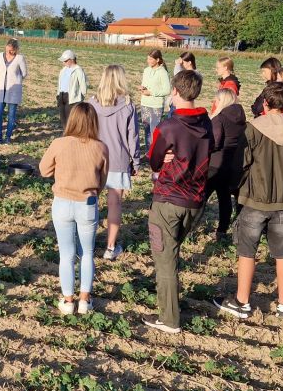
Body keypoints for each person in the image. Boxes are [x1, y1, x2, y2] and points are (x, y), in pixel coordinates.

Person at [214, 82, 283, 320]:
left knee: (247, 251)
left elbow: (240, 164)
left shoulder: (252, 129)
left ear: (265, 103)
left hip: (255, 199)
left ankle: (242, 302)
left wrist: (236, 188)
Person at [143, 70, 213, 334]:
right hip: (195, 202)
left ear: (174, 91)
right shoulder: (207, 123)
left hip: (168, 200)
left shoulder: (168, 127)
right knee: (171, 255)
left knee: (165, 262)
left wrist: (166, 158)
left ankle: (169, 319)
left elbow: (153, 161)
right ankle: (168, 299)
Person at [39, 103, 108, 315]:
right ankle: (85, 300)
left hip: (62, 203)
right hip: (87, 203)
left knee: (66, 254)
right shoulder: (100, 147)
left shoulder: (59, 143)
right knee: (87, 252)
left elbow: (43, 170)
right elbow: (102, 181)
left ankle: (68, 300)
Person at [89, 65, 140, 261]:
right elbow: (132, 137)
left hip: (94, 158)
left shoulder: (92, 103)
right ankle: (110, 247)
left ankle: (87, 242)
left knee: (90, 201)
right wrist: (135, 161)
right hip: (118, 159)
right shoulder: (128, 106)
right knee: (115, 203)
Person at [195, 88, 247, 237]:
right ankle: (222, 230)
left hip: (215, 165)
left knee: (201, 198)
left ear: (222, 101)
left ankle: (190, 228)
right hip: (232, 165)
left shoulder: (220, 119)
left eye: (216, 99)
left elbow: (215, 142)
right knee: (224, 199)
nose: (214, 102)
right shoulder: (240, 119)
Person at [0, 38, 28, 144]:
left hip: (14, 90)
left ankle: (8, 137)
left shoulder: (19, 58)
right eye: (8, 48)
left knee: (11, 115)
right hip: (1, 89)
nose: (10, 51)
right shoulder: (0, 56)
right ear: (6, 46)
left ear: (16, 49)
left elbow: (24, 73)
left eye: (12, 50)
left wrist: (16, 80)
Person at [140, 49, 171, 150]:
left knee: (154, 131)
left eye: (150, 59)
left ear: (157, 60)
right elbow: (145, 84)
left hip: (156, 106)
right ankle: (148, 153)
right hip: (144, 103)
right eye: (147, 58)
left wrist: (152, 93)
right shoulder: (146, 70)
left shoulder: (163, 73)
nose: (148, 60)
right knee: (146, 130)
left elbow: (167, 90)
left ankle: (154, 152)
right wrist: (142, 88)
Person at [56, 50, 87, 130]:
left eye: (65, 61)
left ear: (71, 60)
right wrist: (58, 95)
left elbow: (83, 86)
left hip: (72, 98)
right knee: (63, 119)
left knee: (71, 120)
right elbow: (60, 83)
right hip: (62, 96)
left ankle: (71, 136)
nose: (64, 63)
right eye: (63, 61)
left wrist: (80, 98)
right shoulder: (63, 70)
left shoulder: (78, 70)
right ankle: (65, 134)